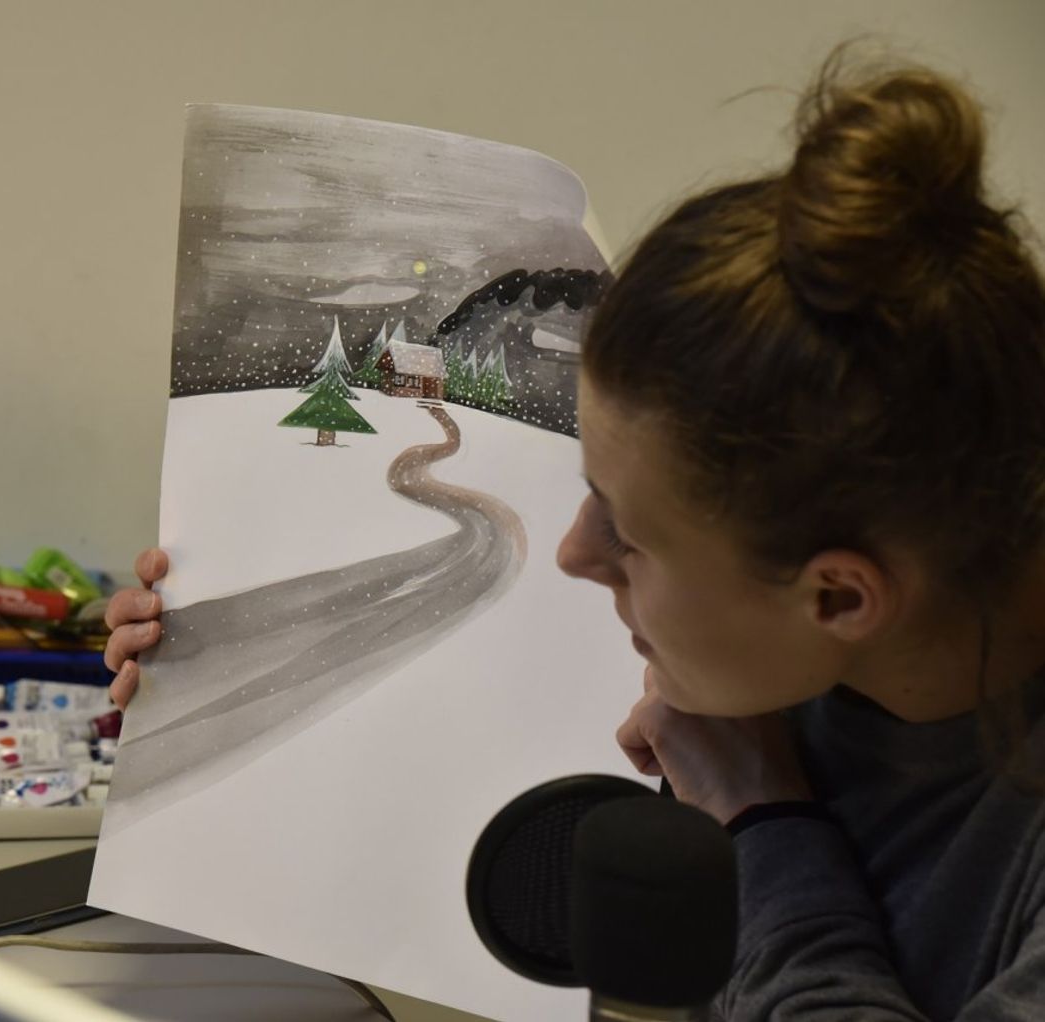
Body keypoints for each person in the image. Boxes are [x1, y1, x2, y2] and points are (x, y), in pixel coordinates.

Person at [104, 52, 1045, 1020]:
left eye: (628, 537)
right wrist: (205, 662)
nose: (571, 553)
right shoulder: (768, 658)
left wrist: (758, 813)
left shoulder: (771, 727)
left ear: (839, 596)